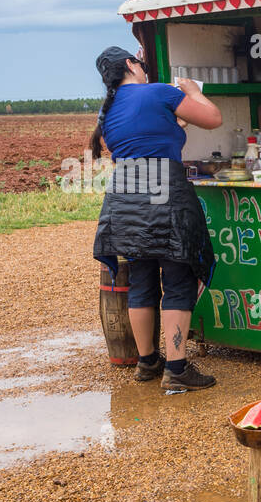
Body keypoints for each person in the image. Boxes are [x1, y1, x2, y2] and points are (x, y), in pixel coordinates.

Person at [90, 46, 223, 392]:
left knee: (141, 278)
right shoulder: (159, 92)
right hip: (164, 191)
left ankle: (148, 362)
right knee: (178, 277)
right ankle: (177, 368)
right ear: (132, 66)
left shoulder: (108, 111)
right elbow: (213, 119)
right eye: (141, 64)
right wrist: (194, 93)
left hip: (125, 196)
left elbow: (139, 143)